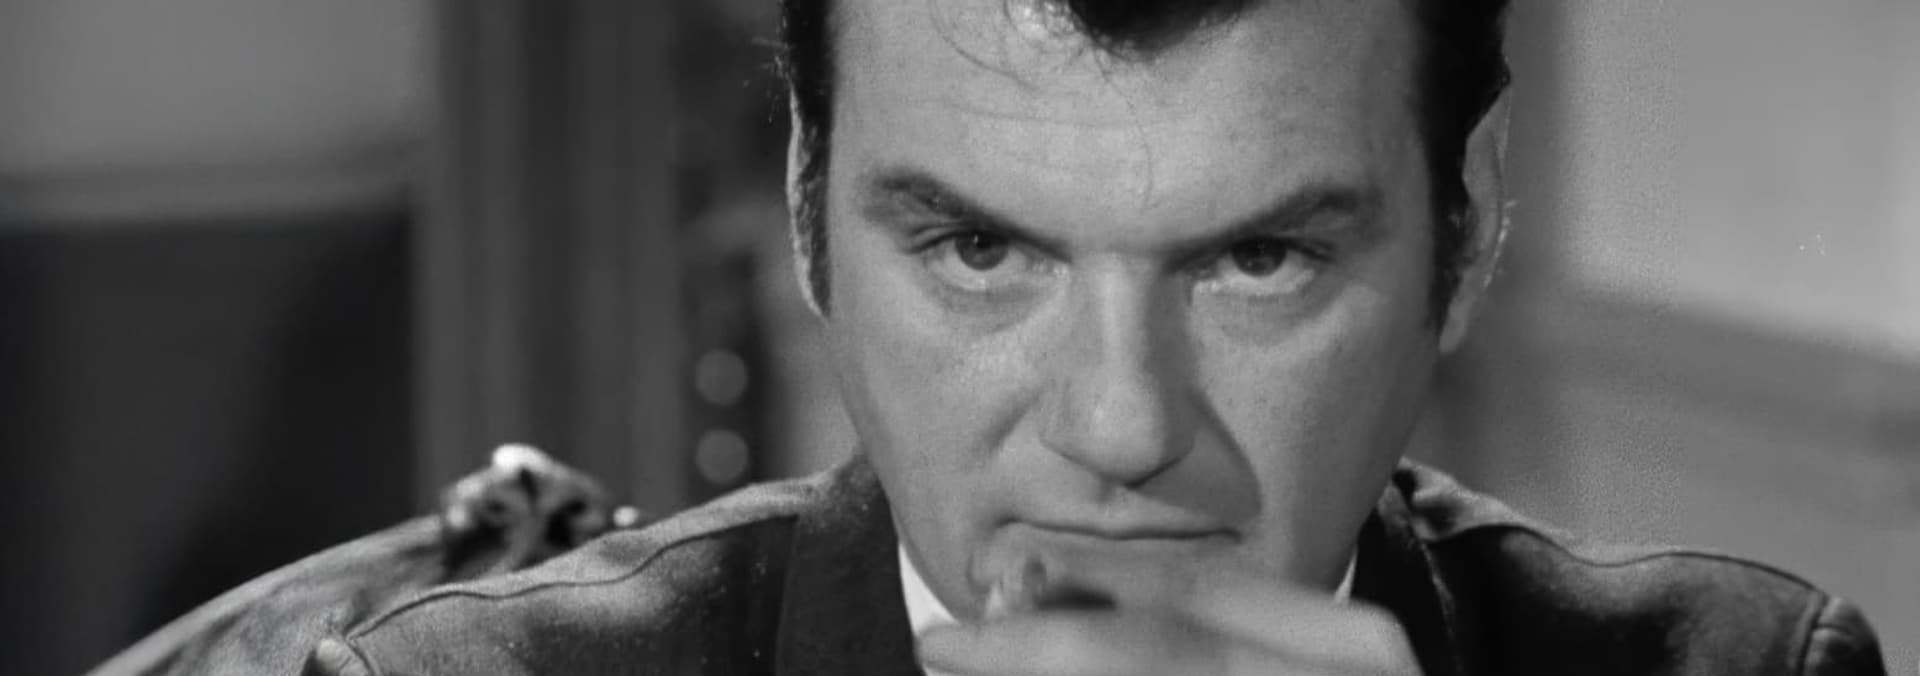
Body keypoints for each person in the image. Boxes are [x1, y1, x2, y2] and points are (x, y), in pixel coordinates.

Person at [114, 0, 1894, 674]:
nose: (1120, 428)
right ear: (806, 203)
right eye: (978, 249)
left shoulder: (1744, 671)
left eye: (1261, 257)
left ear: (1472, 217)